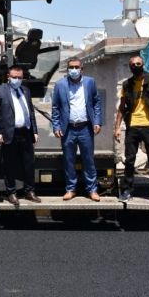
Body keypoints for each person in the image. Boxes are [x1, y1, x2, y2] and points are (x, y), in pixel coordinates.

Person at [114, 55, 149, 204]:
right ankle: (127, 190)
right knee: (130, 159)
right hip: (132, 126)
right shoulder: (127, 84)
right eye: (133, 64)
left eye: (138, 63)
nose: (136, 66)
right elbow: (122, 107)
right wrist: (117, 127)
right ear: (130, 67)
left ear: (143, 64)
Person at [51, 57, 103, 202]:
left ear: (82, 69)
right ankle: (70, 189)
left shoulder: (90, 82)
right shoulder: (60, 84)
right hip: (68, 129)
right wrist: (56, 126)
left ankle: (92, 190)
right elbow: (55, 107)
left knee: (88, 160)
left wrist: (97, 121)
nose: (73, 70)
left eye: (76, 67)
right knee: (69, 160)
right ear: (67, 69)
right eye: (71, 67)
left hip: (85, 128)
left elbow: (96, 102)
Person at [0, 65, 40, 205]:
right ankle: (11, 193)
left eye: (19, 77)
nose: (17, 80)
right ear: (8, 77)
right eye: (14, 77)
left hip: (26, 132)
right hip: (9, 133)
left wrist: (34, 131)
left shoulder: (26, 91)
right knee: (9, 165)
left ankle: (30, 192)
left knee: (29, 164)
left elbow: (31, 113)